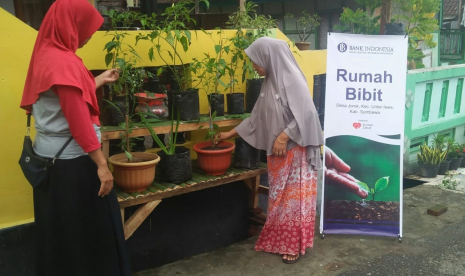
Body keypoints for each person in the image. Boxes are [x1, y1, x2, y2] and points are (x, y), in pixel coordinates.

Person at [20, 0, 131, 275]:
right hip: (72, 165)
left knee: (60, 233)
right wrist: (102, 165)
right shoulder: (65, 62)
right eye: (87, 29)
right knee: (86, 234)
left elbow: (66, 95)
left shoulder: (46, 54)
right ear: (71, 24)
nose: (89, 35)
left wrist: (99, 80)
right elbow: (78, 120)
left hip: (49, 162)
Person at [215, 37, 324, 264]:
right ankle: (280, 240)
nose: (253, 66)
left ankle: (293, 245)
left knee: (293, 200)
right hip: (277, 155)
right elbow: (256, 117)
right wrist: (228, 134)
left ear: (269, 57)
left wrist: (284, 137)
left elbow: (307, 115)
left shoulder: (292, 79)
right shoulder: (268, 83)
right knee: (278, 199)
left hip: (295, 152)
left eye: (255, 61)